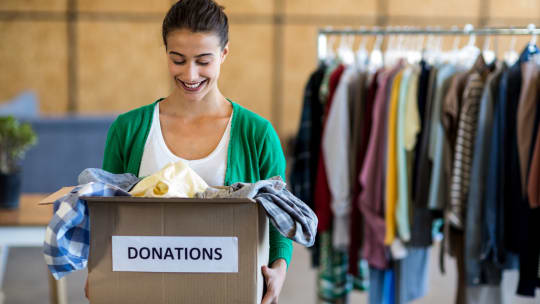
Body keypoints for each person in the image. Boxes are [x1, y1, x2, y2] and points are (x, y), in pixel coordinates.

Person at [88, 0, 292, 303]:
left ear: (224, 54)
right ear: (165, 53)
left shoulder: (257, 134)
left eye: (203, 60)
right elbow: (106, 216)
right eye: (178, 59)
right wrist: (98, 272)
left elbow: (280, 220)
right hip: (143, 292)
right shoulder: (128, 130)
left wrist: (279, 270)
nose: (191, 74)